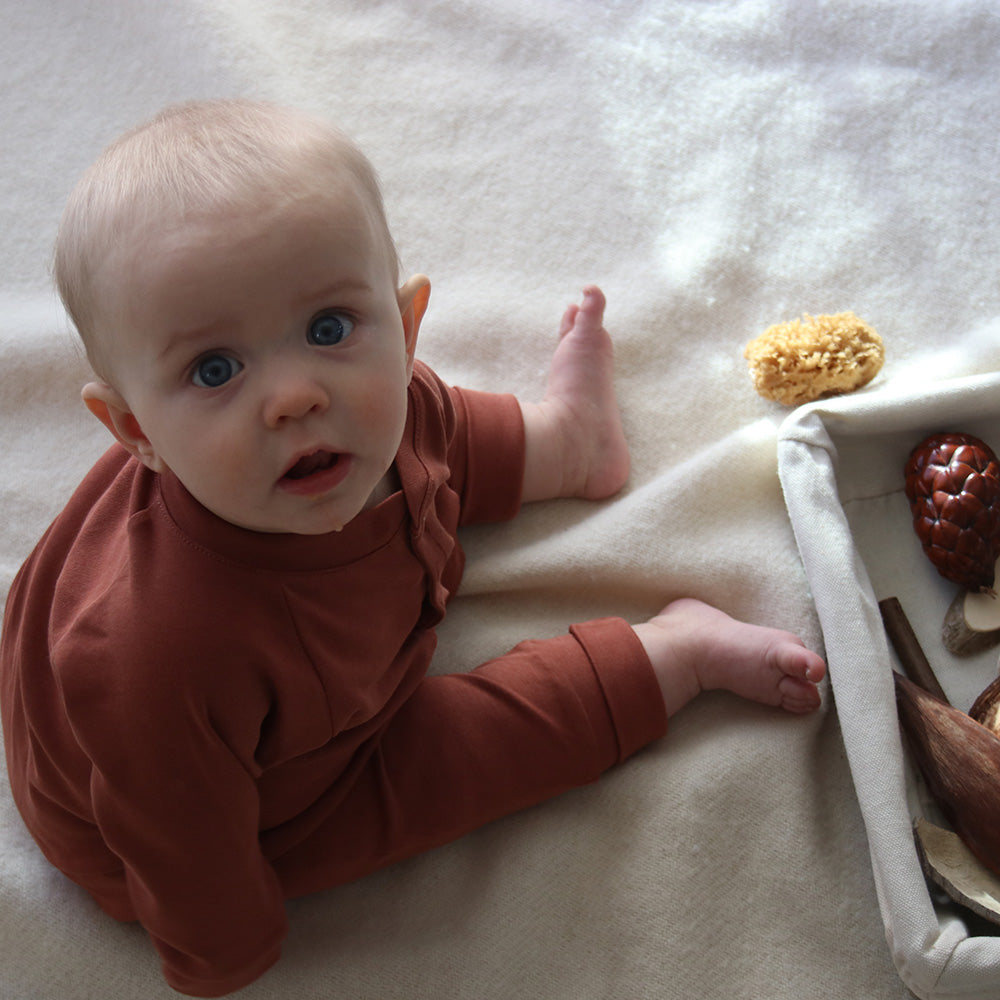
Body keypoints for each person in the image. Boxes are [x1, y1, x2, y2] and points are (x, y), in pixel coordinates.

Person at [0, 99, 825, 997]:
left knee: (426, 425)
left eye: (328, 328)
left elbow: (433, 421)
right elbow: (183, 847)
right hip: (226, 792)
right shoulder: (164, 662)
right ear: (133, 431)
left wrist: (532, 440)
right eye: (214, 369)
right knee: (456, 756)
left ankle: (571, 442)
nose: (295, 395)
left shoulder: (381, 406)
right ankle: (669, 655)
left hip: (308, 654)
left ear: (407, 322)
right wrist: (222, 952)